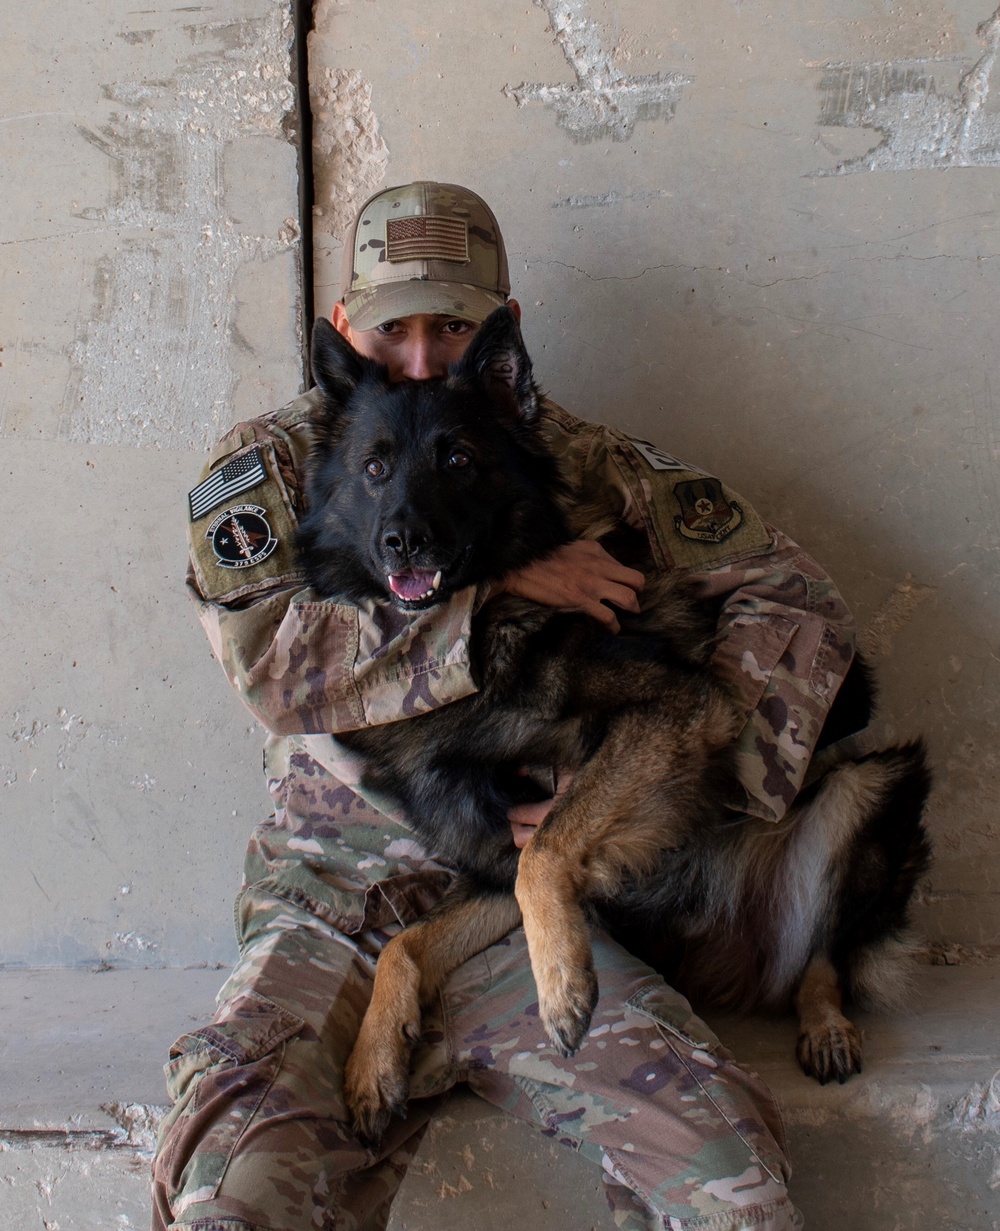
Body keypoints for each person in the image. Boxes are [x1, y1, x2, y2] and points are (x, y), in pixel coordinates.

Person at [152, 181, 857, 1230]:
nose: (427, 358)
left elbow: (797, 602)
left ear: (505, 333)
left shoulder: (565, 457)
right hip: (338, 902)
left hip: (521, 913)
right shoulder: (277, 463)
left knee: (731, 1187)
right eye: (397, 329)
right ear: (347, 328)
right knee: (231, 1202)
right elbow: (274, 666)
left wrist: (661, 800)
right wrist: (497, 596)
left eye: (455, 326)